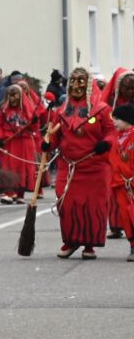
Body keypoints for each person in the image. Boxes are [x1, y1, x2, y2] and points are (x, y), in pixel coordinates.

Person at [44, 67, 116, 260]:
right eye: (73, 81)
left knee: (92, 206)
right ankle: (71, 240)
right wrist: (47, 144)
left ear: (88, 85)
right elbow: (55, 137)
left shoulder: (101, 109)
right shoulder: (61, 111)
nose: (76, 85)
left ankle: (89, 244)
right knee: (65, 202)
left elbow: (112, 132)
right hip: (68, 167)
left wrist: (106, 143)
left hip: (94, 167)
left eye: (81, 81)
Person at [0, 84, 38, 204]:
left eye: (16, 95)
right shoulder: (3, 110)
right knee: (8, 167)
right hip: (9, 142)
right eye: (11, 96)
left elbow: (34, 127)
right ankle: (9, 192)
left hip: (24, 142)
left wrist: (34, 121)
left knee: (23, 168)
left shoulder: (29, 110)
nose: (13, 99)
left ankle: (20, 194)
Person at [108, 103, 134, 261]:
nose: (114, 122)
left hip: (132, 183)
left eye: (117, 119)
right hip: (120, 184)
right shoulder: (116, 138)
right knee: (125, 215)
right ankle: (132, 245)